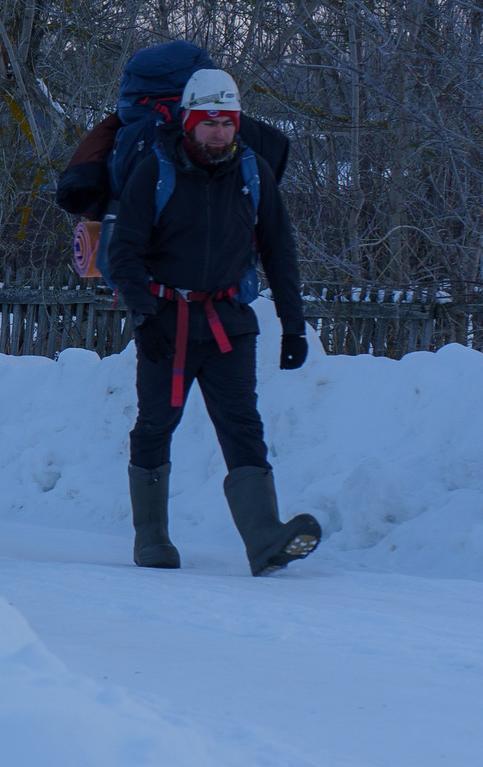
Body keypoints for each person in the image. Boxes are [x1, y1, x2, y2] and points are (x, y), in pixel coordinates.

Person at [104, 69, 321, 575]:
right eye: (209, 123)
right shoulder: (154, 171)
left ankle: (265, 538)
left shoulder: (253, 171)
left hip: (228, 319)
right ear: (189, 122)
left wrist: (294, 325)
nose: (220, 132)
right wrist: (143, 313)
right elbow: (125, 251)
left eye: (228, 122)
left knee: (243, 423)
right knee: (157, 422)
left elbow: (279, 251)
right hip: (167, 319)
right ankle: (152, 538)